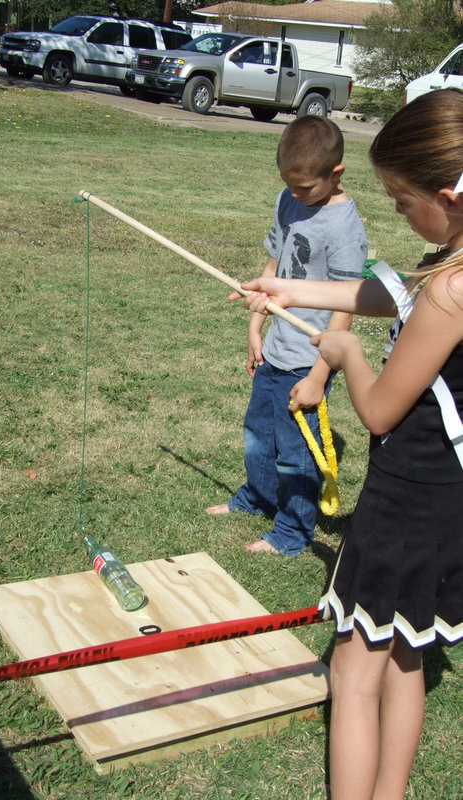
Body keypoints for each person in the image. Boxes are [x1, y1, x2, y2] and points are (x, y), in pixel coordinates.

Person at [231, 88, 463, 800]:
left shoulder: (451, 291)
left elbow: (380, 410)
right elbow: (390, 293)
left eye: (402, 202)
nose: (397, 213)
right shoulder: (451, 266)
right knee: (406, 655)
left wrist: (344, 355)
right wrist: (289, 290)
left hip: (404, 505)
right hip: (447, 501)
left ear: (448, 198)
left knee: (355, 673)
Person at [206, 116, 368, 555]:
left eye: (305, 189)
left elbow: (346, 307)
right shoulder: (288, 200)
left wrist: (318, 375)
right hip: (276, 349)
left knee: (296, 449)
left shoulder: (344, 229)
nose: (296, 196)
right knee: (259, 430)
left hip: (308, 359)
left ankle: (293, 531)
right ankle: (257, 498)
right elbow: (274, 265)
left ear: (336, 173)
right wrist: (254, 326)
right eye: (289, 187)